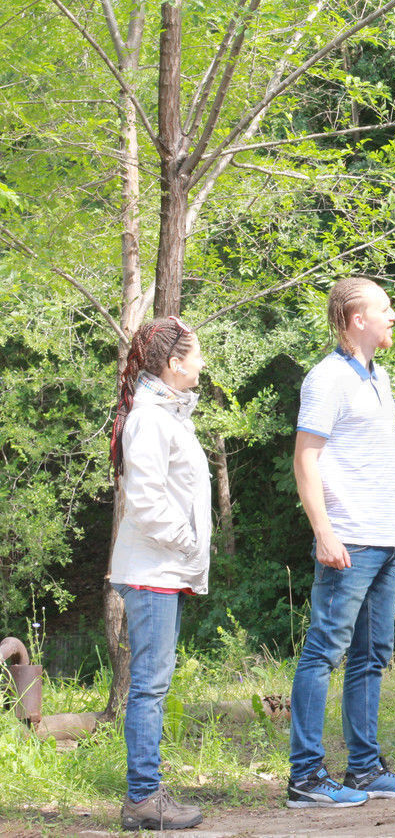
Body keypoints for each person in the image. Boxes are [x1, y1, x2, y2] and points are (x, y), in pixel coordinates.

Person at [286, 277, 395, 809]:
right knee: (324, 651)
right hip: (347, 538)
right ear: (355, 319)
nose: (393, 316)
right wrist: (324, 530)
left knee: (371, 656)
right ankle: (305, 776)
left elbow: (379, 461)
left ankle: (365, 770)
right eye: (385, 309)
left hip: (383, 536)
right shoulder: (326, 379)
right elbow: (305, 459)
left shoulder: (379, 377)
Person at [107, 315, 211, 832]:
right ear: (174, 364)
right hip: (152, 569)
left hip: (162, 569)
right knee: (150, 686)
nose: (203, 362)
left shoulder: (167, 414)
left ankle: (145, 794)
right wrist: (188, 542)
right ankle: (143, 798)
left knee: (153, 684)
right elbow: (146, 500)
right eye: (197, 354)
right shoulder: (151, 418)